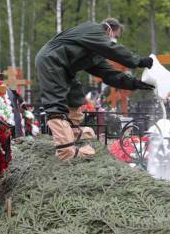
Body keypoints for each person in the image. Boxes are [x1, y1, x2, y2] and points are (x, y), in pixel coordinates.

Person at [35, 17, 154, 161]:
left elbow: (109, 74)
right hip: (51, 60)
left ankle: (72, 132)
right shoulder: (93, 29)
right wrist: (138, 61)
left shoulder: (93, 50)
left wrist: (134, 83)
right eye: (115, 37)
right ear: (109, 30)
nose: (114, 41)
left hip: (64, 67)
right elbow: (112, 49)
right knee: (56, 104)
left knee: (75, 94)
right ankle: (65, 151)